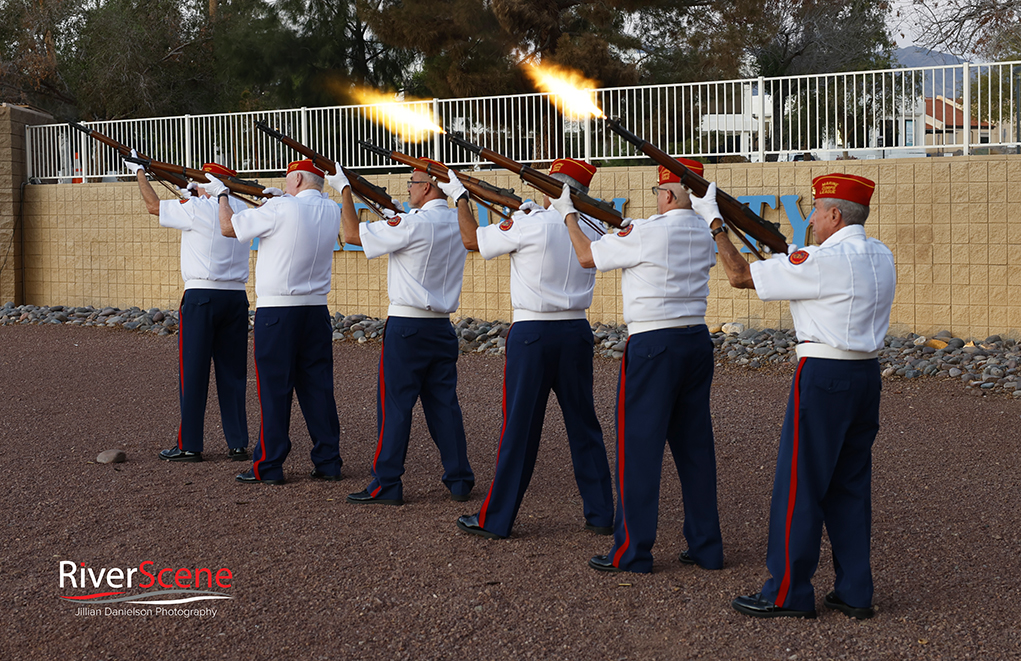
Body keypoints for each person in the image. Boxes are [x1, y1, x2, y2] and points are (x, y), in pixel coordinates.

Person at [701, 173, 895, 619]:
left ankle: (786, 591)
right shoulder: (880, 254)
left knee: (800, 486)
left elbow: (737, 275)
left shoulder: (822, 259)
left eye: (816, 211)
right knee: (849, 486)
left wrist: (714, 221)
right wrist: (784, 252)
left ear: (833, 214)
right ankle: (854, 591)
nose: (809, 218)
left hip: (823, 375)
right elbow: (811, 270)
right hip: (866, 375)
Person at [557, 162, 724, 574]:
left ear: (667, 194)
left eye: (656, 191)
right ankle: (706, 547)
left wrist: (567, 215)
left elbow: (584, 256)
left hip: (653, 345)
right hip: (695, 341)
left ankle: (632, 551)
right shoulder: (704, 232)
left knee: (639, 451)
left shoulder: (648, 231)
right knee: (695, 449)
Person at [451, 158, 614, 540]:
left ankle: (497, 517)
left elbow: (472, 240)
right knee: (583, 426)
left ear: (549, 188)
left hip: (533, 334)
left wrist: (460, 197)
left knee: (519, 429)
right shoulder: (592, 225)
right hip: (576, 331)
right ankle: (601, 512)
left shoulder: (530, 223)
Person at [330, 159, 474, 505]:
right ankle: (459, 479)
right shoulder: (458, 222)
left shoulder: (414, 223)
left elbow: (351, 236)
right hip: (441, 327)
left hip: (407, 327)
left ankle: (387, 482)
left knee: (394, 407)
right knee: (444, 406)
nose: (408, 187)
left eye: (413, 182)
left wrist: (345, 189)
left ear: (427, 187)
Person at [208, 159, 342, 485]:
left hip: (278, 312)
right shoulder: (331, 209)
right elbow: (295, 216)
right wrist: (274, 200)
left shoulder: (281, 208)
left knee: (274, 390)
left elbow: (229, 228)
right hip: (315, 309)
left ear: (295, 178)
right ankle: (328, 461)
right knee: (318, 389)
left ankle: (269, 464)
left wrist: (221, 195)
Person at [126, 156, 250, 463]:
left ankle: (190, 444)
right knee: (232, 374)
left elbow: (153, 206)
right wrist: (195, 193)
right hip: (236, 297)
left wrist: (141, 173)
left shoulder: (197, 209)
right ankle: (237, 443)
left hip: (201, 297)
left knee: (193, 373)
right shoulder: (243, 210)